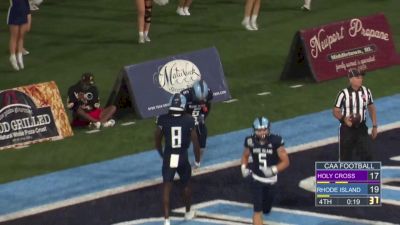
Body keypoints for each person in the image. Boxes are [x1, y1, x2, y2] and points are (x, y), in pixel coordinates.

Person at [155, 93, 201, 225]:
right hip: (182, 156)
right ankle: (187, 212)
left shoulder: (162, 119)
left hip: (170, 156)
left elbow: (157, 139)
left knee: (167, 186)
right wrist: (197, 160)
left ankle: (166, 220)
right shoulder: (188, 119)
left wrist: (161, 153)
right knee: (185, 184)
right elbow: (195, 142)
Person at [241, 117, 290, 225]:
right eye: (259, 130)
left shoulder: (276, 141)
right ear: (254, 131)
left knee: (266, 209)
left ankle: (265, 207)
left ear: (268, 129)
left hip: (271, 180)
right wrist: (243, 168)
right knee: (257, 211)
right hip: (256, 179)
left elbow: (286, 161)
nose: (262, 133)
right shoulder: (250, 140)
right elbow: (245, 156)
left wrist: (273, 170)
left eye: (264, 130)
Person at [333, 69, 378, 161]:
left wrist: (374, 126)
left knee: (367, 155)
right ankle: (345, 175)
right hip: (347, 129)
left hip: (361, 127)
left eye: (361, 77)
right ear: (350, 79)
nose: (360, 79)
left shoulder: (366, 91)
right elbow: (335, 111)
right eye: (357, 77)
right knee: (346, 158)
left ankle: (366, 175)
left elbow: (371, 107)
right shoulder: (343, 94)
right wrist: (344, 119)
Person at [181, 80, 213, 161]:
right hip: (186, 113)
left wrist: (203, 116)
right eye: (199, 99)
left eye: (203, 99)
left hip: (198, 112)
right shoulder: (184, 96)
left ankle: (198, 158)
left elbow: (207, 107)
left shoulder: (209, 94)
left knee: (202, 130)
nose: (201, 100)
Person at [7, 0, 31, 71]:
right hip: (14, 13)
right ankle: (13, 57)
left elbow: (27, 4)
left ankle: (20, 56)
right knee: (14, 36)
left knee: (21, 36)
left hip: (24, 13)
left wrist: (29, 19)